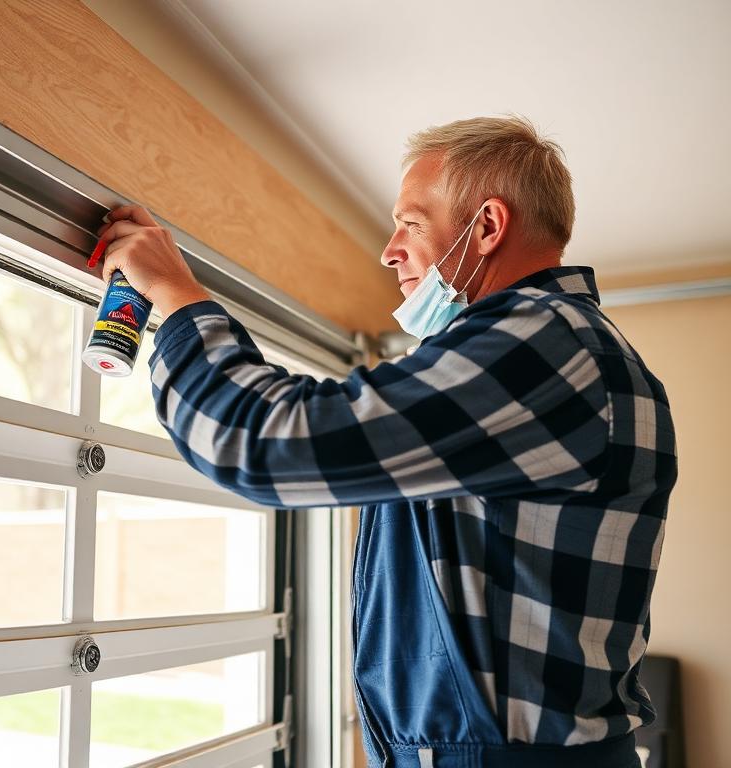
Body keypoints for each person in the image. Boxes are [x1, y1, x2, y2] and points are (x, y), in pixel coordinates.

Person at [95, 115, 676, 768]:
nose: (389, 249)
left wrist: (173, 292)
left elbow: (258, 441)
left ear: (486, 226)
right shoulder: (556, 349)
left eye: (411, 222)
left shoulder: (548, 348)